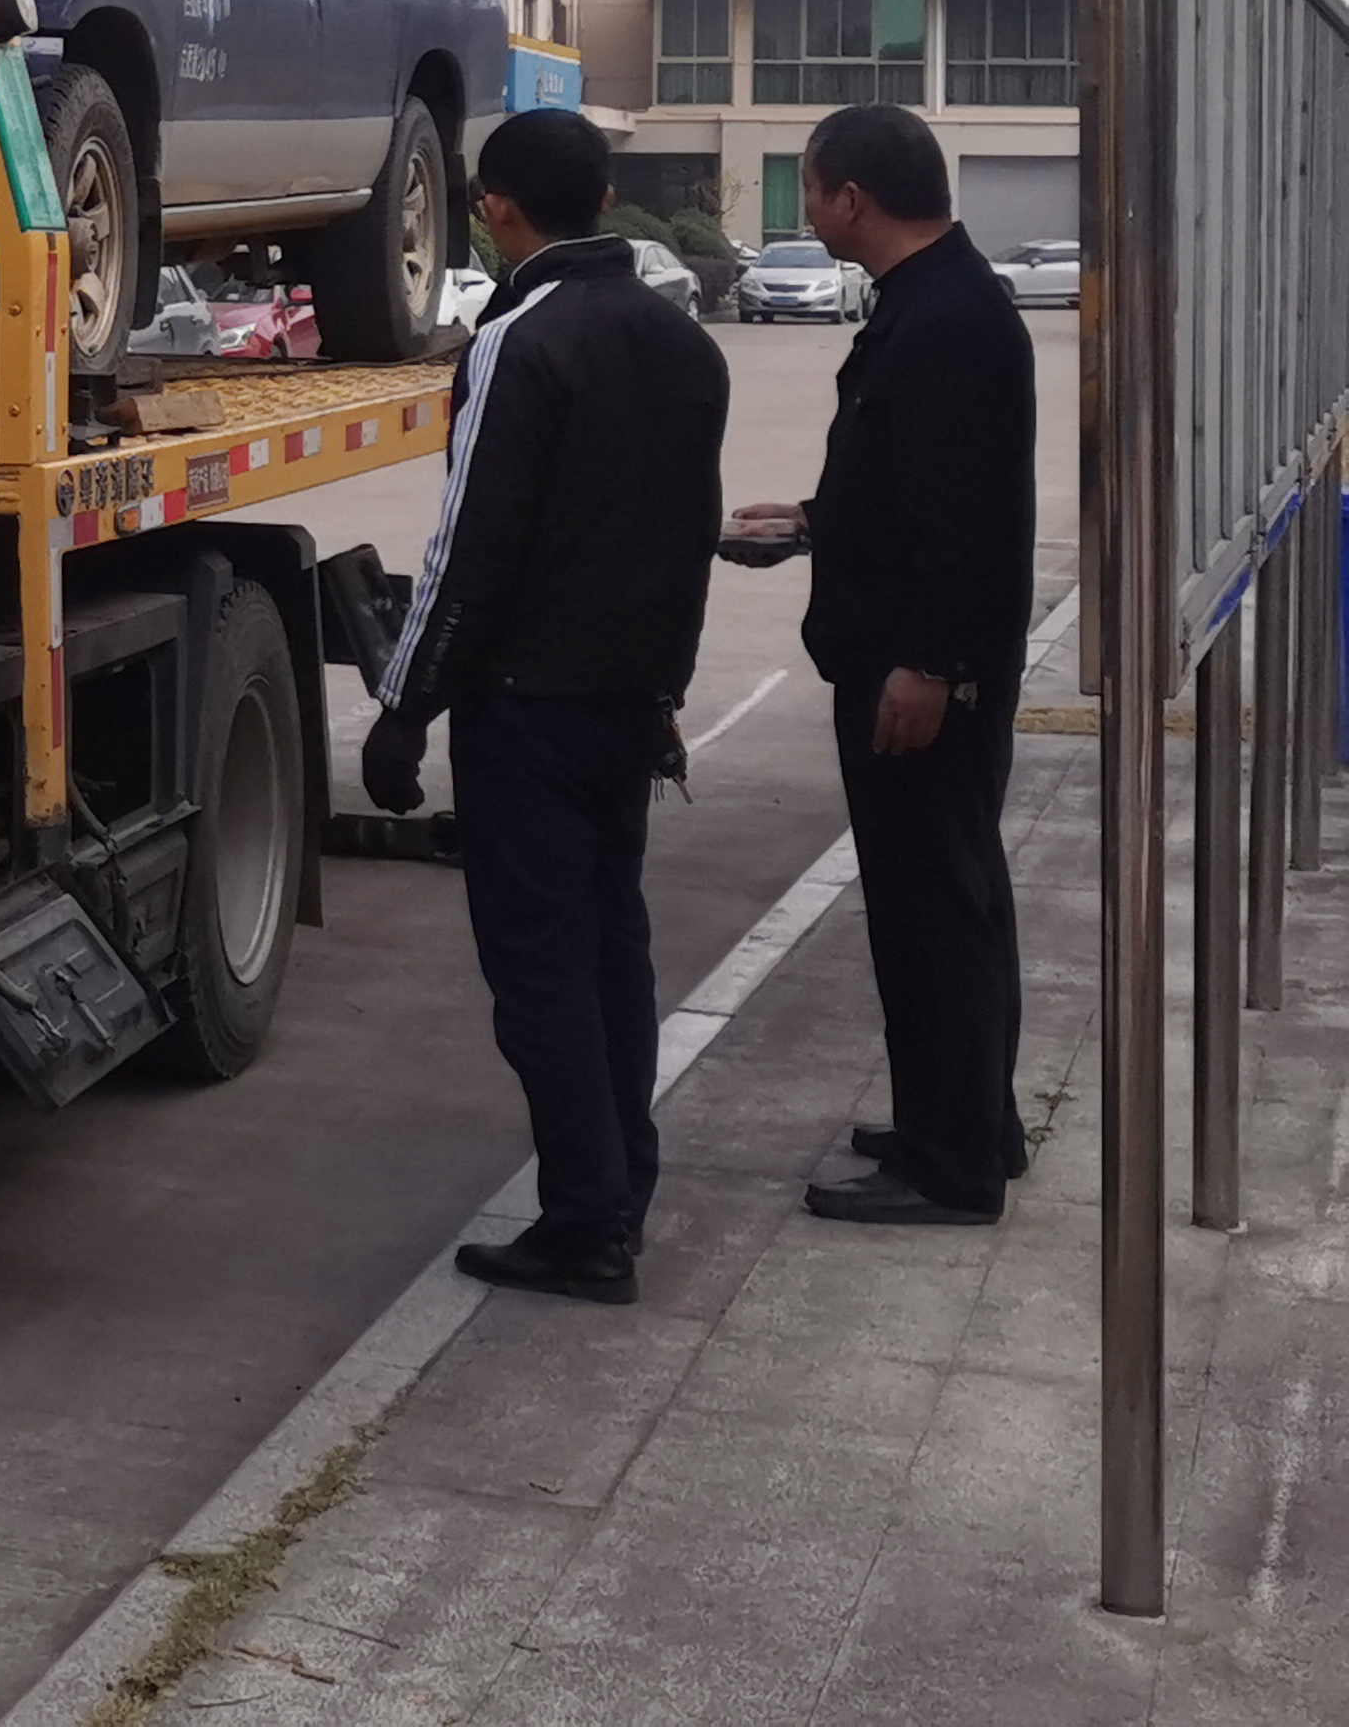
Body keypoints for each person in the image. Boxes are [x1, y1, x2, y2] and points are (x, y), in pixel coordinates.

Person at [363, 108, 731, 1305]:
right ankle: (621, 1191)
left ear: (496, 209)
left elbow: (469, 546)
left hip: (526, 711)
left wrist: (405, 707)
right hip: (628, 703)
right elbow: (685, 540)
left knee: (539, 977)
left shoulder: (516, 340)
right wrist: (663, 690)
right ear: (607, 196)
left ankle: (583, 1223)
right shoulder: (681, 343)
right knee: (613, 952)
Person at [726, 103, 1036, 1226]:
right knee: (945, 899)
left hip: (923, 676)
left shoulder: (950, 320)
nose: (807, 216)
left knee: (933, 914)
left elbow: (968, 522)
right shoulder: (933, 299)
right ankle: (966, 1122)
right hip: (914, 656)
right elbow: (911, 485)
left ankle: (950, 1166)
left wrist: (928, 664)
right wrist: (815, 521)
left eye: (810, 194)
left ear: (850, 199)